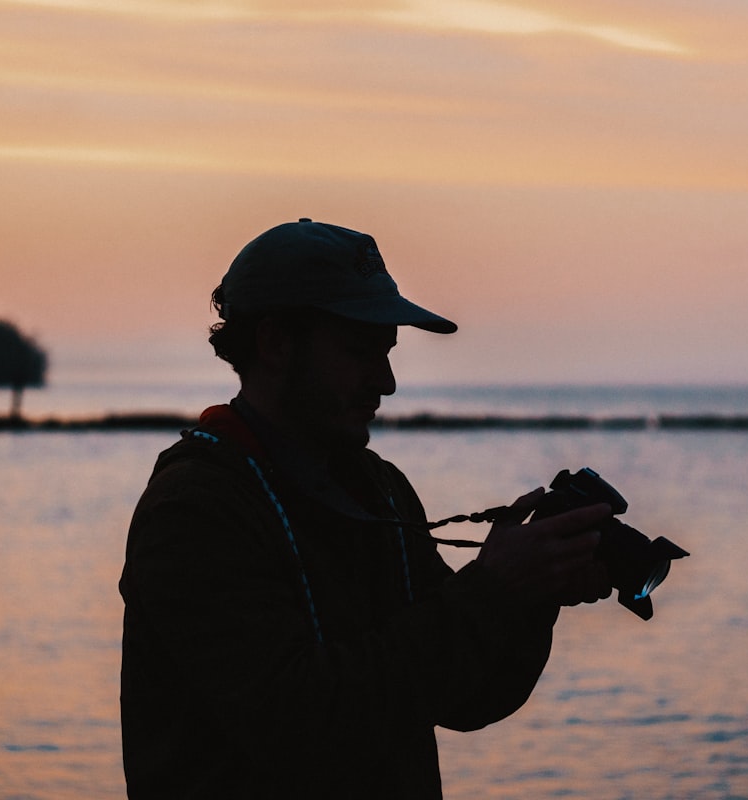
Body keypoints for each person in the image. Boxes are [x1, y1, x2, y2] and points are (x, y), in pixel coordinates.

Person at [119, 218, 612, 798]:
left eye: (388, 352)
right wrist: (492, 589)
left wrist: (532, 596)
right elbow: (299, 721)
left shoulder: (378, 489)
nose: (387, 381)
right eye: (360, 352)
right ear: (275, 343)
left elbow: (466, 699)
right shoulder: (194, 510)